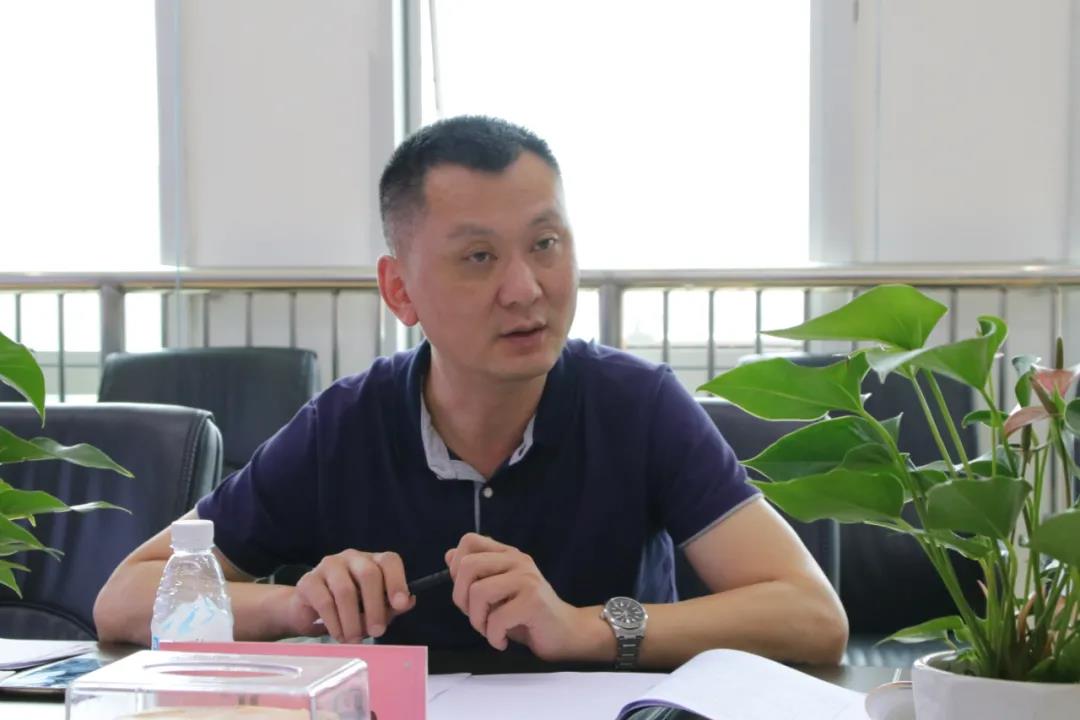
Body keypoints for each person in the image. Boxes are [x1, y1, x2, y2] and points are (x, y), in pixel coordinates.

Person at [94, 116, 847, 669]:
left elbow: (812, 614)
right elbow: (125, 597)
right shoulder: (345, 426)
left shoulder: (637, 405)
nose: (525, 289)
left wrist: (582, 628)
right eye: (479, 257)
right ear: (400, 289)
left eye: (545, 244)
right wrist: (298, 605)